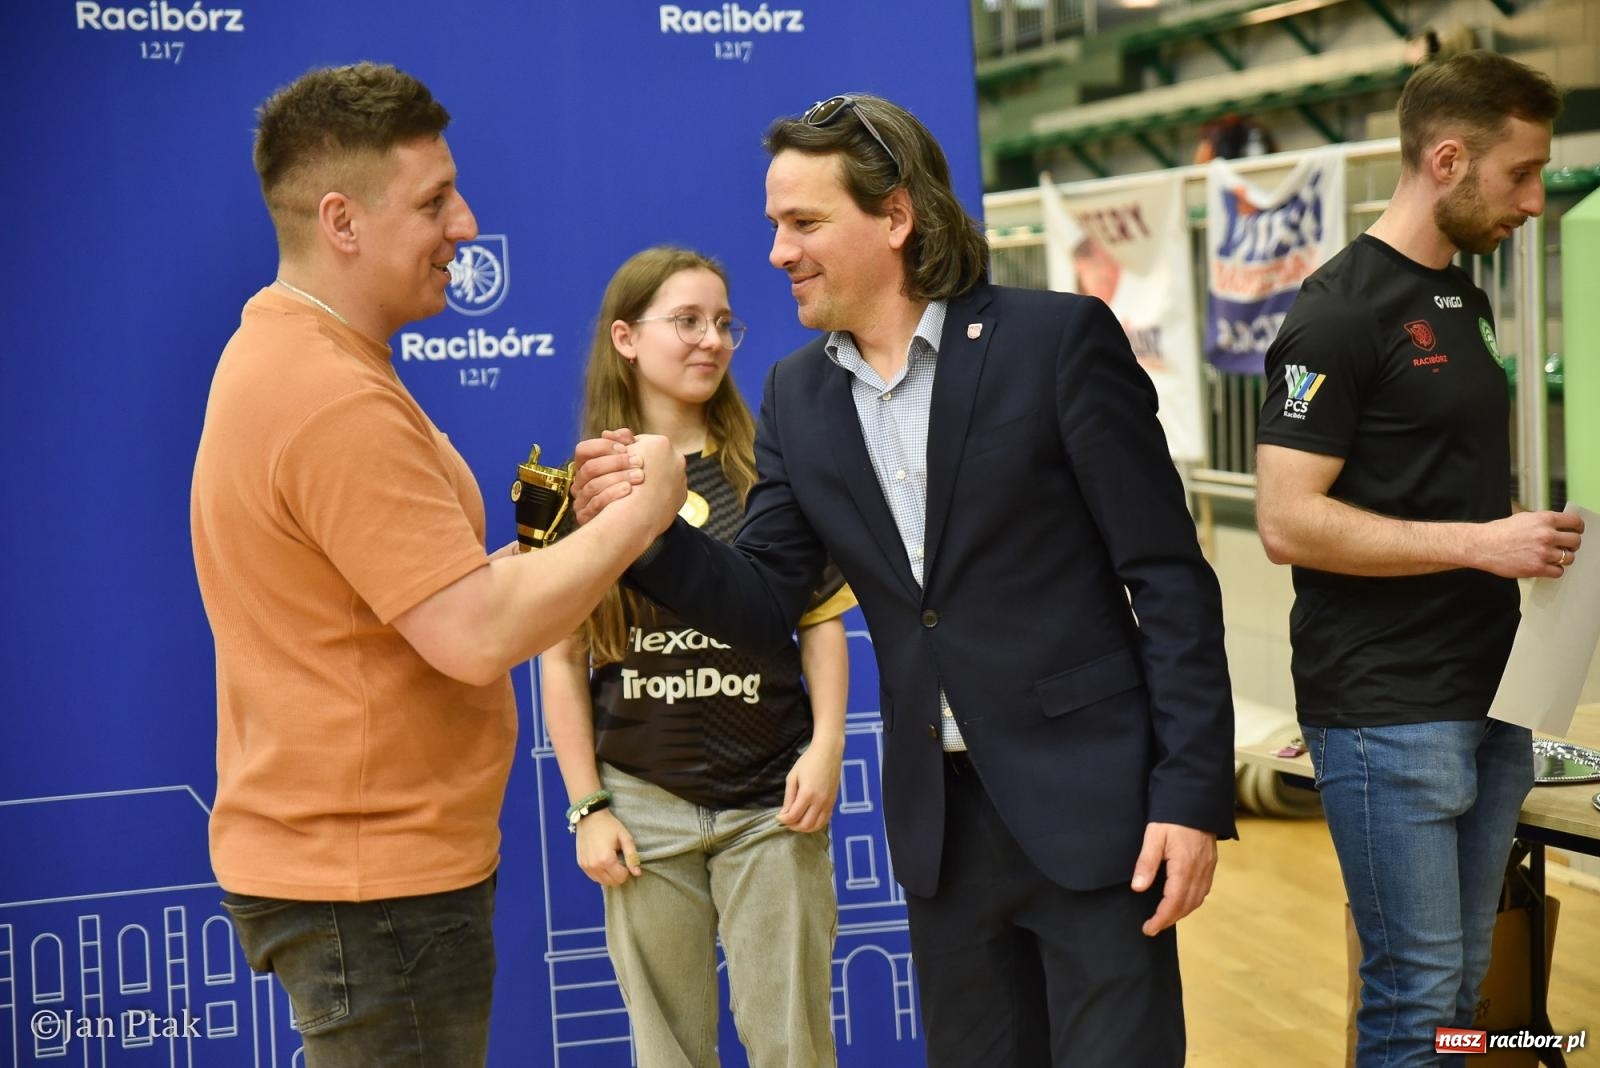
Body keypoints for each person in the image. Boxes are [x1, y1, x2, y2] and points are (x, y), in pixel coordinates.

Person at [573, 94, 1236, 1066]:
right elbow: (766, 601)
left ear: (894, 215)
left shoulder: (1056, 343)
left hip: (1099, 812)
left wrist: (1188, 793)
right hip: (942, 836)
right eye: (774, 225)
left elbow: (1169, 581)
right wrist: (655, 530)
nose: (776, 252)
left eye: (802, 223)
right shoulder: (799, 397)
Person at [189, 63, 683, 1067]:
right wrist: (644, 519)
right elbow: (473, 633)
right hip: (374, 892)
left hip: (367, 879)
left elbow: (423, 600)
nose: (465, 224)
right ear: (342, 221)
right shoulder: (331, 398)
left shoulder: (302, 357)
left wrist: (572, 537)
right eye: (432, 201)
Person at [1253, 51, 1579, 1067]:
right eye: (1519, 173)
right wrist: (1482, 543)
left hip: (1491, 694)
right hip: (1386, 709)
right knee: (1414, 997)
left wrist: (1527, 532)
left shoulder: (1467, 304)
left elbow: (1429, 488)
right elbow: (1286, 521)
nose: (1533, 199)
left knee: (1463, 978)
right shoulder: (1335, 315)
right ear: (1446, 159)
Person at [541, 246, 853, 1066]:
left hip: (771, 807)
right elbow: (563, 661)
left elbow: (820, 621)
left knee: (796, 1048)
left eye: (723, 323)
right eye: (685, 321)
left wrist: (826, 749)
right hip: (643, 810)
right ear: (626, 338)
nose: (710, 340)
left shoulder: (770, 473)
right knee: (667, 1053)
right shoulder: (583, 489)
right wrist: (588, 807)